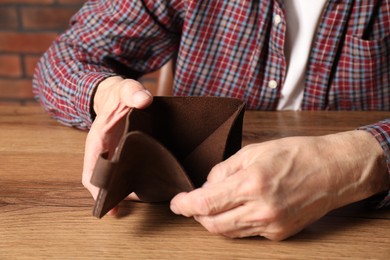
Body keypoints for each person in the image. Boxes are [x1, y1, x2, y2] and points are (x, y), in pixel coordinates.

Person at [32, 0, 389, 241]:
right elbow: (66, 58)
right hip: (184, 231)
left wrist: (357, 161)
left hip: (355, 224)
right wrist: (106, 95)